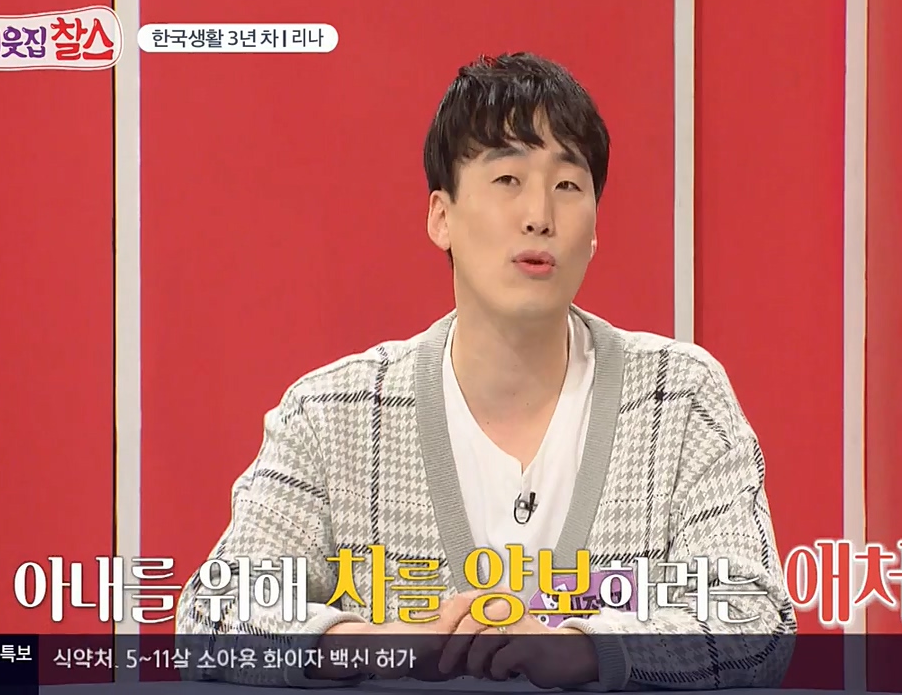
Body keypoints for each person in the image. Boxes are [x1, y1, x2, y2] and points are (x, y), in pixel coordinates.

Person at [175, 52, 797, 690]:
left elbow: (757, 619)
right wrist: (372, 645)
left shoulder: (680, 398)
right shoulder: (332, 414)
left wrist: (587, 650)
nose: (539, 215)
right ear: (440, 217)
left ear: (594, 230)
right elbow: (212, 614)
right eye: (507, 179)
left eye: (568, 186)